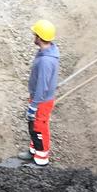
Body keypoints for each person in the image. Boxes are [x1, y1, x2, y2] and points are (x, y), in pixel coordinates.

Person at [18, 19, 59, 165]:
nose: (33, 37)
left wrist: (34, 105)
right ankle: (34, 150)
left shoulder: (45, 61)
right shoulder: (46, 52)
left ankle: (41, 159)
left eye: (35, 35)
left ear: (40, 38)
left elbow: (42, 85)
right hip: (40, 98)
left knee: (39, 127)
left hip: (41, 100)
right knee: (34, 125)